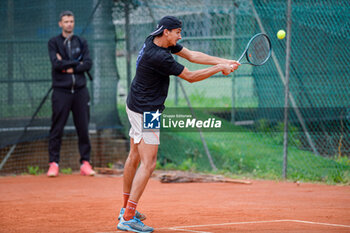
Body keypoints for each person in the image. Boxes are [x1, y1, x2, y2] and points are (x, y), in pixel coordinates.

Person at [117, 16, 240, 232]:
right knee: (149, 163)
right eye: (177, 32)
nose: (180, 36)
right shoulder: (159, 57)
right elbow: (191, 76)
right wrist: (219, 68)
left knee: (134, 156)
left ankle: (126, 208)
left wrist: (225, 61)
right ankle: (127, 217)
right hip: (147, 112)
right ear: (166, 32)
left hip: (135, 104)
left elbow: (193, 55)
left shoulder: (153, 40)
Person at [46, 10, 95, 177]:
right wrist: (76, 63)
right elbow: (56, 64)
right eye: (66, 21)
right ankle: (54, 163)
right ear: (60, 23)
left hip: (81, 92)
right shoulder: (53, 43)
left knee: (83, 127)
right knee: (57, 128)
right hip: (61, 92)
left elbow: (87, 64)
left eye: (71, 21)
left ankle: (85, 163)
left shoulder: (81, 42)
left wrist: (67, 65)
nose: (69, 24)